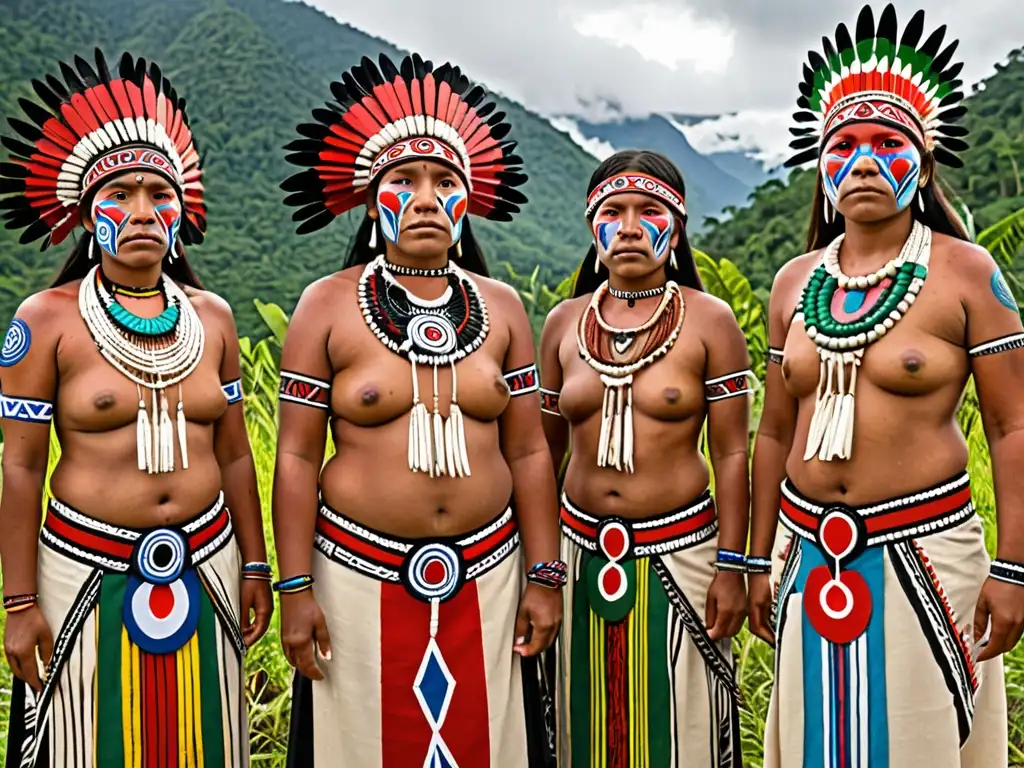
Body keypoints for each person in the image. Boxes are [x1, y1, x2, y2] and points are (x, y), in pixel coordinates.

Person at [273, 52, 564, 767]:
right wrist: (294, 589)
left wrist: (545, 576)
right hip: (354, 576)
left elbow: (528, 452)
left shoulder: (501, 309)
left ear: (468, 203)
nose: (428, 198)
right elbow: (296, 456)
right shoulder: (327, 304)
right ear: (374, 202)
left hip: (489, 579)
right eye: (405, 181)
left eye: (445, 182)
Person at [749, 5, 1021, 766]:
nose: (864, 161)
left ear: (924, 163)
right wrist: (759, 555)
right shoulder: (793, 283)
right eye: (845, 145)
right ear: (822, 167)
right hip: (806, 551)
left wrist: (1015, 567)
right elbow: (773, 431)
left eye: (888, 143)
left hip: (929, 554)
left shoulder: (969, 274)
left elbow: (1014, 427)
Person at [0, 49, 271, 767]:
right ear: (88, 214)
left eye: (161, 192)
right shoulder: (45, 320)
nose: (145, 211)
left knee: (205, 738)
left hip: (207, 560)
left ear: (183, 210)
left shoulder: (212, 318)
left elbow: (237, 452)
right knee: (87, 740)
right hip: (84, 567)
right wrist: (20, 603)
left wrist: (256, 565)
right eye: (122, 194)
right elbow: (21, 469)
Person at [540, 149, 752, 767]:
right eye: (614, 211)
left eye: (650, 211)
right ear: (591, 226)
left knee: (682, 725)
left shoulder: (711, 322)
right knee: (583, 725)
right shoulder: (563, 324)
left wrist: (734, 566)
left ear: (677, 226)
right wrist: (540, 568)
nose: (630, 227)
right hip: (578, 555)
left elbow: (734, 451)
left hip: (683, 554)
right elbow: (540, 453)